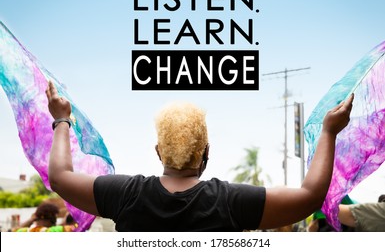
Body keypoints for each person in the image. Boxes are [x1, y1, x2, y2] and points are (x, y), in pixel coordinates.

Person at [45, 80, 354, 231]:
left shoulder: (126, 195)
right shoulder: (231, 201)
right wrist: (328, 132)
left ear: (158, 152)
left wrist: (62, 119)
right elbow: (310, 197)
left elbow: (59, 177)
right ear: (206, 153)